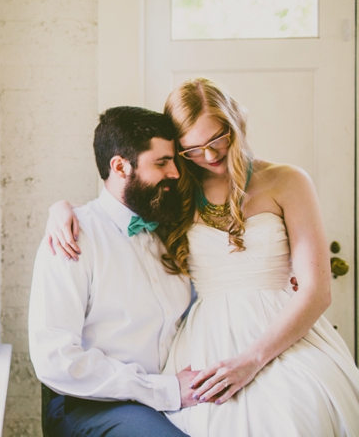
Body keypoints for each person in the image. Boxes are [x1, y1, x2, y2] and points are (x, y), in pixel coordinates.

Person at [45, 78, 359, 436]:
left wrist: (251, 360)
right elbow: (117, 209)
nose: (209, 157)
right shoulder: (173, 190)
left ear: (235, 123)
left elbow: (317, 292)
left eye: (217, 139)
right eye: (192, 149)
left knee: (298, 409)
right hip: (207, 339)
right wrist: (60, 209)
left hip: (283, 328)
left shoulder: (287, 181)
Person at [28, 106, 203, 437]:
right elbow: (55, 359)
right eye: (162, 162)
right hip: (91, 403)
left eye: (174, 160)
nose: (175, 173)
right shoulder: (72, 240)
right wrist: (162, 390)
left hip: (170, 391)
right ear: (120, 166)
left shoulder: (169, 227)